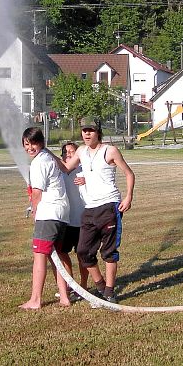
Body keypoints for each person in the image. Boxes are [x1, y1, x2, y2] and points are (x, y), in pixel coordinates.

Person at [54, 117, 135, 304]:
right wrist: (46, 152)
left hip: (109, 206)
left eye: (90, 130)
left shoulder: (110, 151)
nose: (87, 134)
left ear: (98, 131)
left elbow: (129, 174)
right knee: (83, 251)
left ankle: (109, 292)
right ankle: (99, 285)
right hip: (90, 209)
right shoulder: (81, 151)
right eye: (84, 131)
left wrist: (128, 196)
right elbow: (66, 168)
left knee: (109, 251)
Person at [19, 127, 71, 310]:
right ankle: (64, 297)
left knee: (39, 256)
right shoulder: (48, 158)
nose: (30, 147)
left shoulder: (39, 162)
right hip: (61, 213)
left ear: (40, 143)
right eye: (26, 144)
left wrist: (34, 211)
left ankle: (35, 299)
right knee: (54, 256)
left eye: (33, 143)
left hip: (49, 214)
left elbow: (37, 193)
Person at [54, 141, 88, 302]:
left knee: (83, 255)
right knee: (62, 253)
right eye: (66, 152)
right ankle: (70, 284)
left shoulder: (85, 170)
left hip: (82, 221)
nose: (69, 154)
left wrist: (87, 180)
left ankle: (84, 286)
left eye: (72, 151)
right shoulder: (59, 173)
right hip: (65, 221)